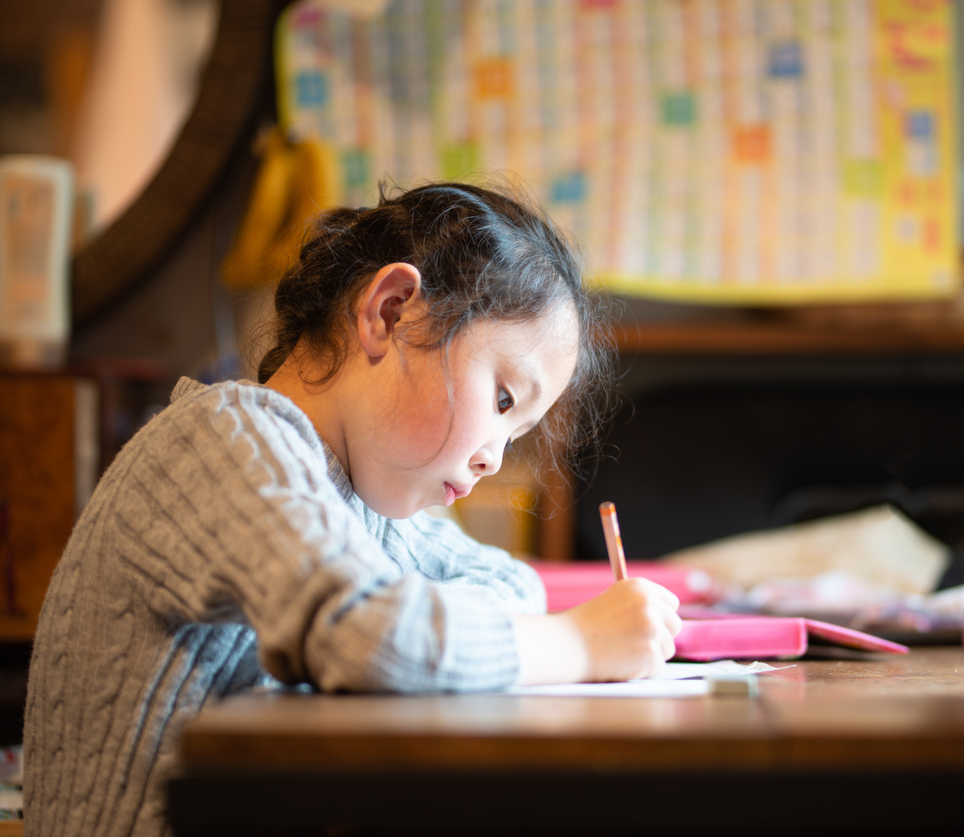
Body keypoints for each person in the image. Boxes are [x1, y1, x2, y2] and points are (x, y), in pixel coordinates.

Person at [22, 182, 682, 836]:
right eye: (504, 399)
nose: (492, 457)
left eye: (514, 434)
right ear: (390, 312)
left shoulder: (361, 502)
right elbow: (374, 637)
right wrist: (581, 642)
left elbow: (512, 584)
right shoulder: (223, 440)